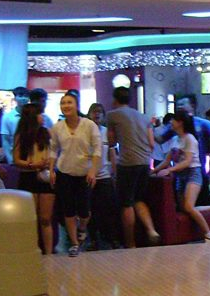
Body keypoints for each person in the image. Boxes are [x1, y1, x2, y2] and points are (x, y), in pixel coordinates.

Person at [153, 112, 210, 242]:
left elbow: (188, 161)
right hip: (180, 176)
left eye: (173, 120)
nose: (171, 122)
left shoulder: (190, 138)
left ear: (181, 122)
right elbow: (167, 160)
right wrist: (153, 171)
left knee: (189, 206)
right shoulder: (175, 139)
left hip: (193, 174)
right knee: (185, 208)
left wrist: (169, 170)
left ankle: (209, 235)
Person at [107, 86, 160, 248]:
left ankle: (130, 243)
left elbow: (111, 141)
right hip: (144, 162)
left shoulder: (112, 115)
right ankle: (151, 230)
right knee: (139, 199)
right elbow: (152, 143)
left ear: (114, 99)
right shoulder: (144, 117)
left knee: (127, 203)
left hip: (127, 163)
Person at [49, 93, 100, 256]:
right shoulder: (57, 127)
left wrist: (93, 170)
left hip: (84, 173)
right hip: (64, 172)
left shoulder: (89, 125)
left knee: (84, 211)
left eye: (69, 102)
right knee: (68, 209)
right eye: (63, 103)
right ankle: (74, 243)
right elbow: (53, 149)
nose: (66, 106)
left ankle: (82, 227)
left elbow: (97, 149)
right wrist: (51, 170)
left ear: (77, 105)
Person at [155, 94, 210, 201]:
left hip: (197, 169)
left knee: (199, 202)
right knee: (183, 205)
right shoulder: (174, 127)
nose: (179, 106)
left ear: (192, 106)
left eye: (182, 104)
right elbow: (160, 139)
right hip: (180, 172)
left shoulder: (202, 123)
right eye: (178, 105)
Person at [13, 104, 56, 255]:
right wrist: (33, 165)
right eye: (39, 114)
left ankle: (49, 252)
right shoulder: (21, 136)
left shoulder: (47, 132)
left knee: (46, 218)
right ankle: (31, 251)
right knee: (30, 218)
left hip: (45, 176)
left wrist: (50, 165)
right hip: (28, 176)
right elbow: (16, 160)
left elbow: (55, 153)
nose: (42, 117)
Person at [86, 103, 120, 250]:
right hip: (89, 176)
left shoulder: (107, 132)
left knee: (109, 209)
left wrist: (115, 173)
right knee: (91, 209)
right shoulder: (85, 132)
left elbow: (112, 153)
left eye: (100, 112)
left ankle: (112, 238)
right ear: (89, 114)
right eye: (94, 112)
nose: (97, 114)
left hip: (105, 175)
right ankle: (93, 239)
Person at [0, 86, 29, 165]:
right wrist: (10, 159)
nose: (23, 98)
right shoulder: (7, 117)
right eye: (20, 96)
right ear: (15, 98)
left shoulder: (33, 116)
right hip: (15, 154)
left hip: (31, 154)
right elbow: (5, 140)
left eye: (26, 96)